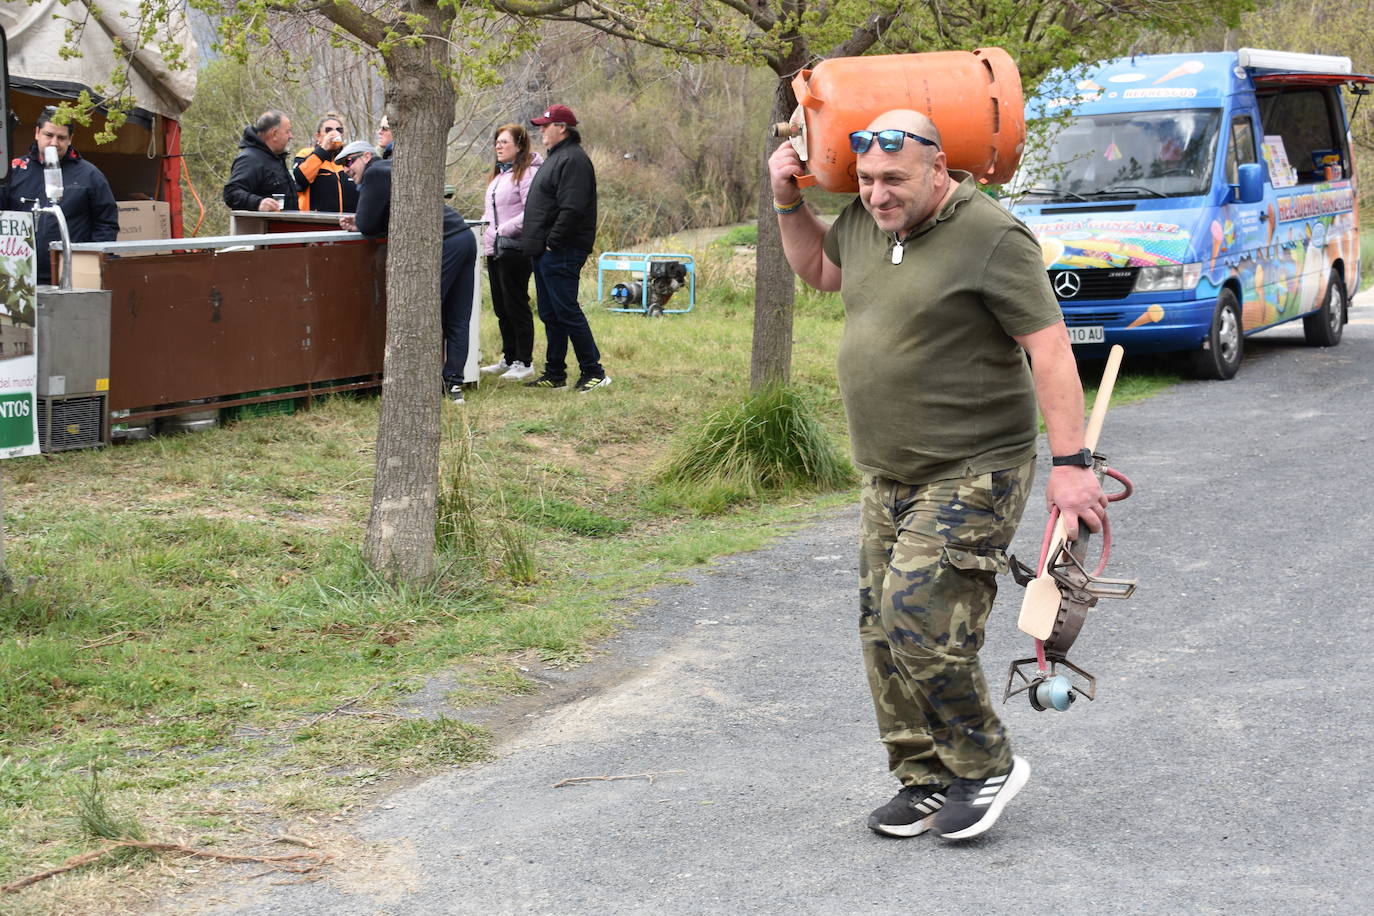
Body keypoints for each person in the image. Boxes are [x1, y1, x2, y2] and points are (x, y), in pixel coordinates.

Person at [767, 109, 1108, 842]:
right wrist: (789, 202)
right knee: (880, 632)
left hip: (973, 469)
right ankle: (924, 776)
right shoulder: (865, 222)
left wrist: (1073, 467)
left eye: (894, 179)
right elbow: (823, 270)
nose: (878, 194)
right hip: (887, 472)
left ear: (938, 169)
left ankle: (985, 764)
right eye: (865, 179)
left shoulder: (992, 236)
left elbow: (1049, 350)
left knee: (920, 621)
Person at [335, 140, 477, 404]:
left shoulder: (376, 172)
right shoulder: (393, 167)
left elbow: (368, 222)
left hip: (446, 242)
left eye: (348, 162)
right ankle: (453, 384)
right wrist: (363, 223)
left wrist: (361, 223)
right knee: (457, 317)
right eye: (341, 165)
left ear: (367, 156)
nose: (346, 169)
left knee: (423, 310)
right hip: (463, 236)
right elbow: (395, 215)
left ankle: (416, 382)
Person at [521, 104, 610, 392]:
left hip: (561, 251)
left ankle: (594, 372)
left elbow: (572, 209)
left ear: (562, 127)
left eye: (545, 126)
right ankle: (555, 373)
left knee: (566, 310)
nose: (541, 130)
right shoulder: (557, 157)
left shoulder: (573, 160)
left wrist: (552, 243)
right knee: (550, 313)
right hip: (546, 251)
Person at [0, 108, 119, 285]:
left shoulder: (90, 176)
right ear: (37, 133)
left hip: (70, 276)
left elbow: (106, 223)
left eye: (61, 137)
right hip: (19, 275)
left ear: (70, 139)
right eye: (49, 135)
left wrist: (91, 265)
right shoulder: (14, 170)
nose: (54, 143)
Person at [478, 123, 542, 382]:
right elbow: (490, 212)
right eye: (497, 142)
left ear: (519, 146)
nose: (498, 146)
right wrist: (482, 231)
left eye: (504, 142)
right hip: (494, 249)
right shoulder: (499, 175)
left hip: (514, 248)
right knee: (500, 305)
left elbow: (531, 213)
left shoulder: (526, 174)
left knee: (516, 304)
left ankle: (524, 361)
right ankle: (508, 356)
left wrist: (502, 229)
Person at [223, 110, 297, 212]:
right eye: (287, 131)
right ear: (274, 133)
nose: (291, 136)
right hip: (261, 227)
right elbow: (232, 193)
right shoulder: (250, 159)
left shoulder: (276, 159)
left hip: (282, 226)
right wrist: (258, 203)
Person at [292, 113, 358, 212]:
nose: (334, 133)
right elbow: (301, 178)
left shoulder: (348, 158)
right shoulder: (306, 153)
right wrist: (323, 149)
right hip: (316, 221)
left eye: (339, 130)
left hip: (347, 221)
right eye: (328, 130)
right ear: (318, 136)